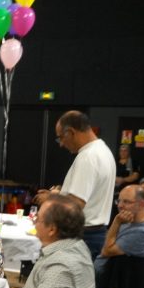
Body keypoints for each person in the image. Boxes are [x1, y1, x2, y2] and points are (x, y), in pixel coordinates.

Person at [33, 110, 116, 259]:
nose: (61, 144)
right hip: (96, 232)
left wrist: (51, 199)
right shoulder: (103, 150)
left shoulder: (87, 157)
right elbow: (89, 194)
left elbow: (76, 204)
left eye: (60, 138)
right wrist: (61, 193)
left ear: (71, 132)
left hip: (83, 235)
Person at [93, 184, 144, 284]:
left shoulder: (142, 232)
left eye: (126, 202)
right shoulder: (127, 221)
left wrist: (116, 222)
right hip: (99, 275)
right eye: (119, 201)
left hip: (107, 281)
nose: (120, 205)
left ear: (141, 204)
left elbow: (106, 251)